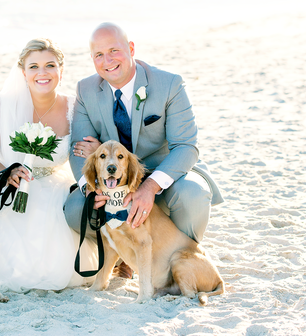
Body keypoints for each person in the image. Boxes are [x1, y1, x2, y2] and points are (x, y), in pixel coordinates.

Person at [64, 23, 223, 265]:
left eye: (114, 51)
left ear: (131, 48)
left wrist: (149, 187)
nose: (107, 61)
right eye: (98, 55)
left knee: (193, 194)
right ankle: (124, 258)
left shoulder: (169, 84)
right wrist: (90, 187)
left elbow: (186, 146)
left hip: (166, 174)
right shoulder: (86, 90)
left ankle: (182, 258)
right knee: (77, 209)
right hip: (114, 180)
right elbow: (79, 148)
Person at [0, 38, 97, 292]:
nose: (42, 73)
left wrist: (96, 149)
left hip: (56, 186)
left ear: (60, 71)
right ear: (23, 73)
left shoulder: (75, 108)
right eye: (33, 67)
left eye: (50, 65)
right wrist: (4, 172)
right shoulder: (3, 104)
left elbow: (92, 147)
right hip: (12, 184)